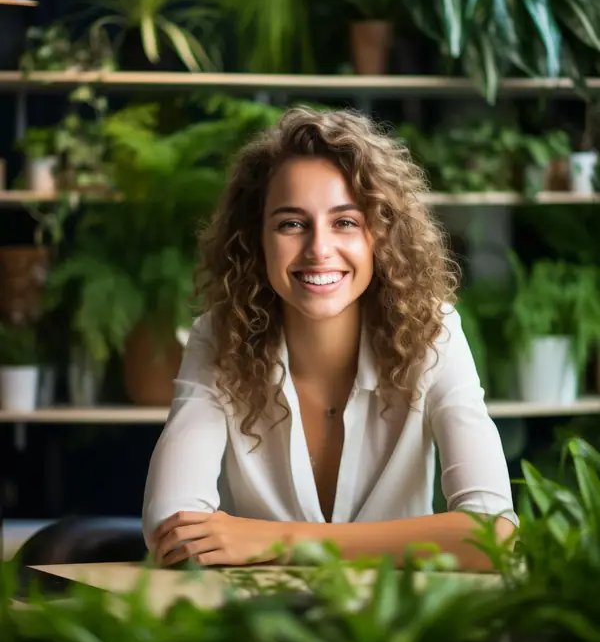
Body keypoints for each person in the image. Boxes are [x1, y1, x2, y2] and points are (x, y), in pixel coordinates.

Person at [143, 107, 516, 570]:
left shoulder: (432, 333)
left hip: (399, 625)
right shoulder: (219, 338)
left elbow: (493, 532)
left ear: (380, 236)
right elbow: (172, 527)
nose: (319, 249)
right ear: (255, 239)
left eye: (345, 222)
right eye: (291, 223)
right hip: (262, 623)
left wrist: (280, 541)